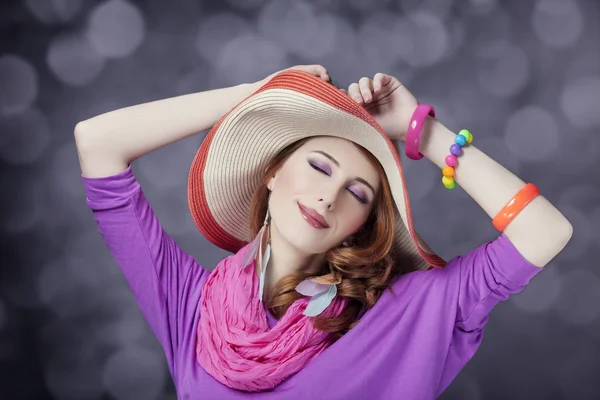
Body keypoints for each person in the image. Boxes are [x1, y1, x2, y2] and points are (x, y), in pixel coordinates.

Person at [75, 65, 573, 399]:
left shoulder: (413, 311)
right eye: (319, 166)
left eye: (358, 194)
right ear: (272, 172)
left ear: (361, 225)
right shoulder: (190, 307)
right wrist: (259, 94)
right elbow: (96, 143)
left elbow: (544, 231)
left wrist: (421, 131)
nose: (328, 196)